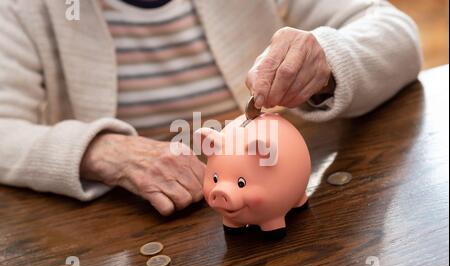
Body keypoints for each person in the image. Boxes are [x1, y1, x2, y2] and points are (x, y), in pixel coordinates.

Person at [0, 0, 422, 215]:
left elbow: (396, 34)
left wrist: (327, 60)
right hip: (128, 226)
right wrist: (100, 152)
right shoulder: (23, 9)